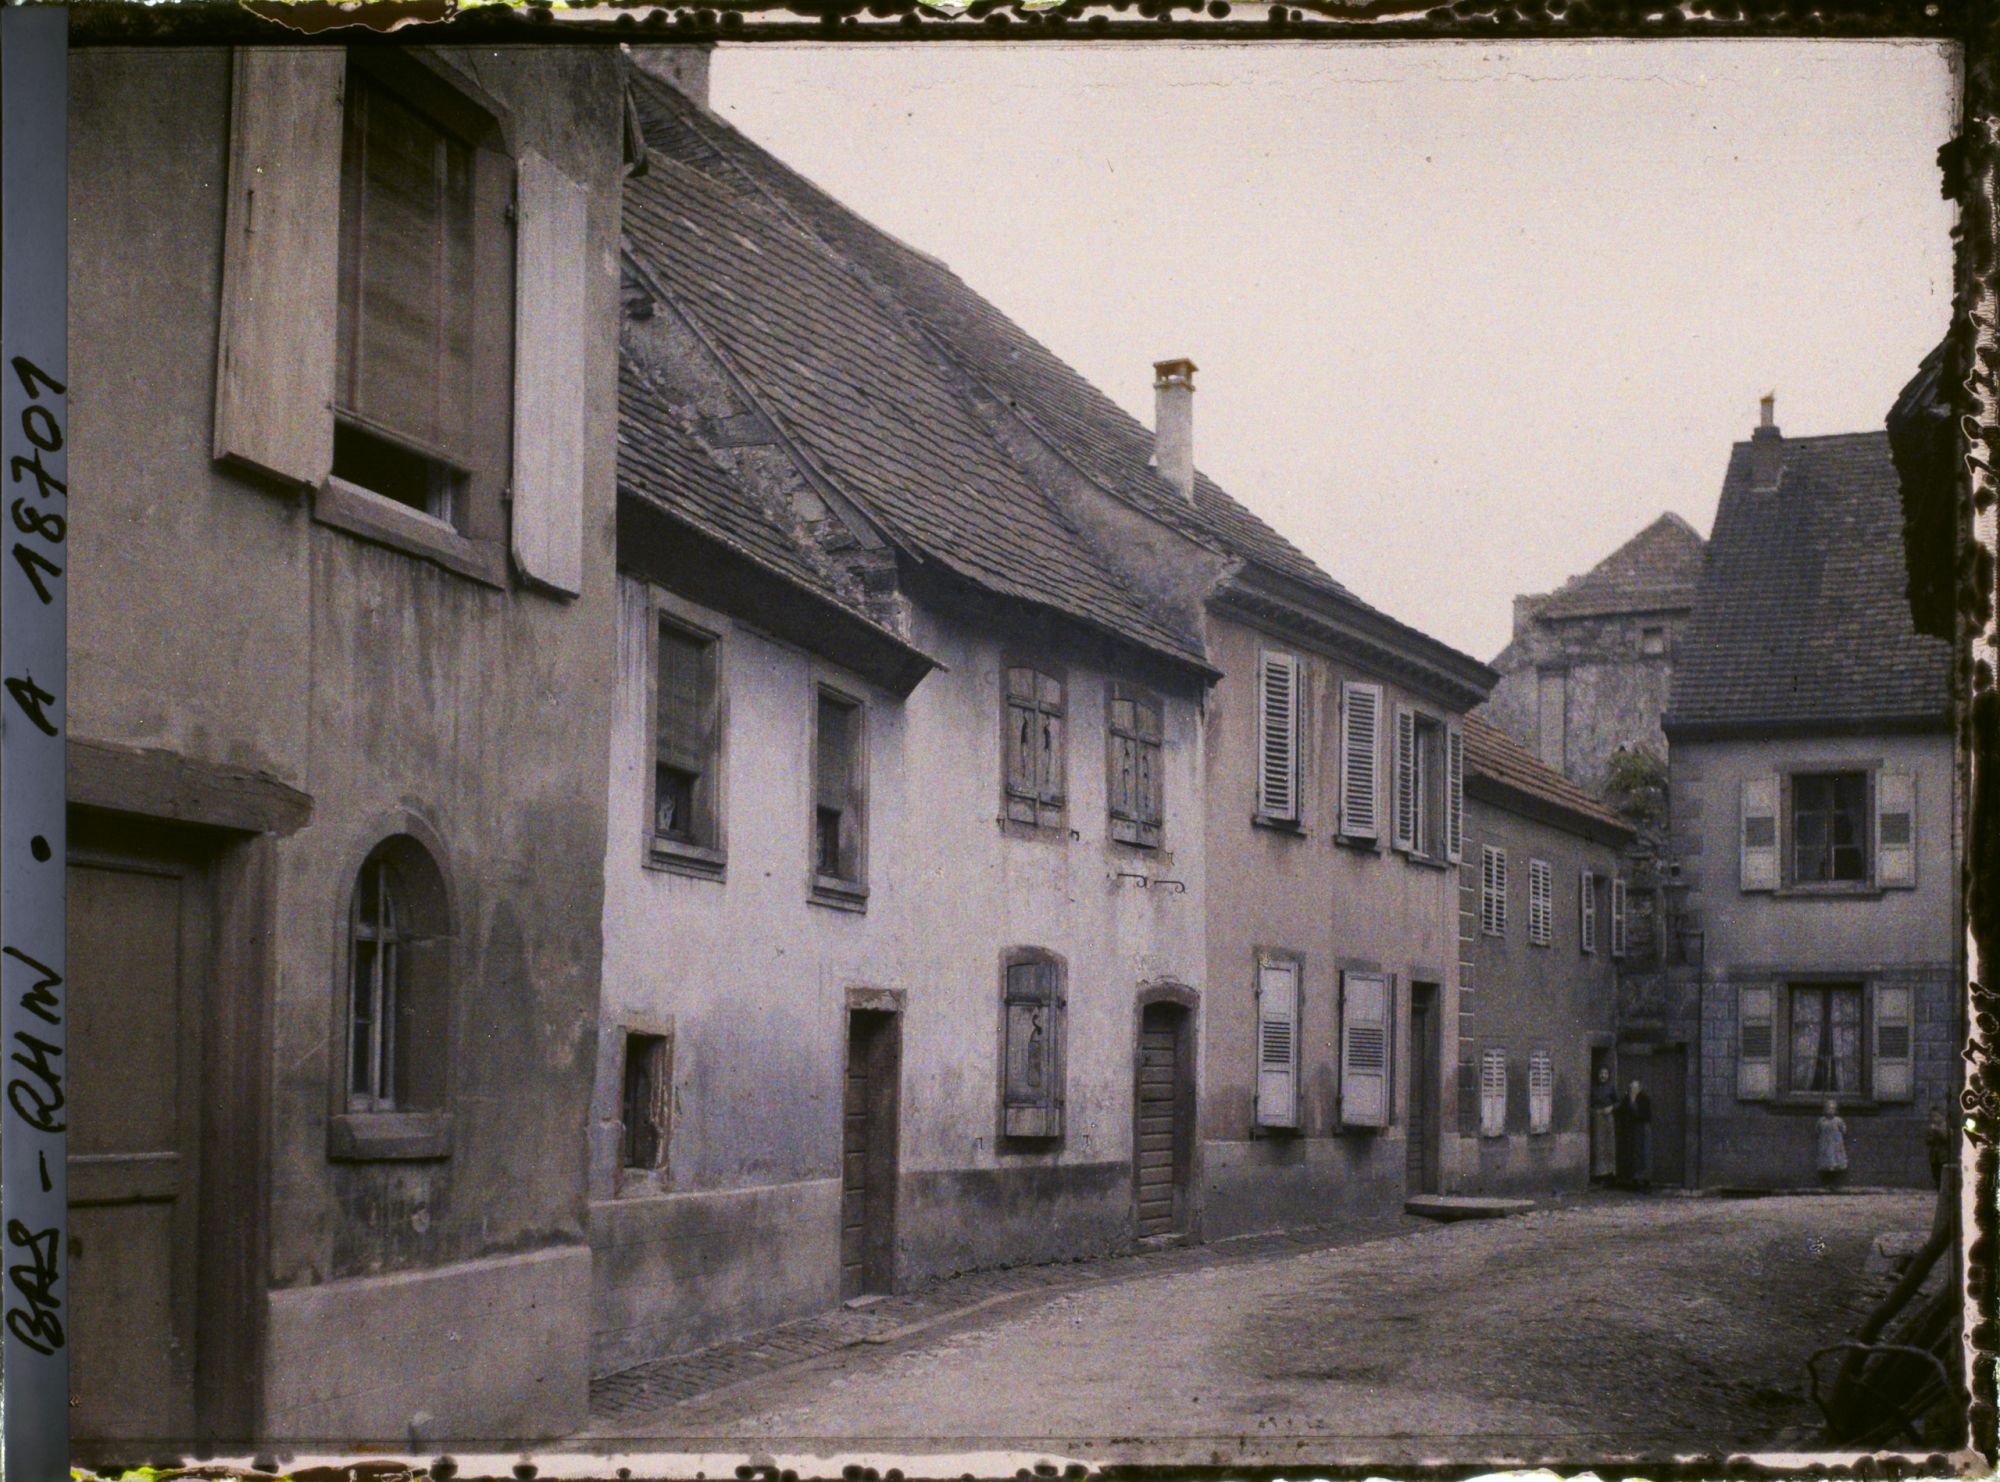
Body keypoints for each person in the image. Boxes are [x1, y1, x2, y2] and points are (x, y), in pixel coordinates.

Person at [1613, 1078, 1653, 1191]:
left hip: (1643, 1128)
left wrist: (1634, 1104)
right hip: (1631, 1130)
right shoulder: (1626, 1099)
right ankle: (1634, 1180)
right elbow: (1621, 1111)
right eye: (1631, 1088)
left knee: (1644, 1154)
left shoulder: (1644, 1099)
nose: (1632, 1090)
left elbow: (1645, 1115)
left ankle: (1646, 1181)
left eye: (1635, 1087)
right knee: (1633, 1154)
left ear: (1639, 1088)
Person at [1589, 1065, 1618, 1185]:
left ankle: (1610, 1173)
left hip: (1608, 1118)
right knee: (1598, 1145)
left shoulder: (1611, 1088)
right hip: (1597, 1119)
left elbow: (1617, 1102)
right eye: (1601, 1073)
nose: (1603, 1076)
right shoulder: (1593, 1088)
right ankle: (1598, 1173)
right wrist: (1595, 1111)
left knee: (1608, 1144)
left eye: (1605, 1074)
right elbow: (1589, 1103)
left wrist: (1611, 1108)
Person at [1817, 1100, 1849, 1190]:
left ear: (1835, 1110)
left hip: (1836, 1145)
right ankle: (1826, 1183)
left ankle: (1835, 1183)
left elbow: (1844, 1130)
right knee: (1826, 1162)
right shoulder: (1821, 1121)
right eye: (1828, 1108)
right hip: (1825, 1144)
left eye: (1832, 1109)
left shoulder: (1838, 1120)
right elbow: (1818, 1130)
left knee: (1835, 1162)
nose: (1830, 1111)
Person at [1926, 1106, 1953, 1190]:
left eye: (1936, 1116)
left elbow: (1946, 1137)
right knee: (1936, 1174)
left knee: (1943, 1175)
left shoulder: (1945, 1125)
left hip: (1944, 1155)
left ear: (1942, 1116)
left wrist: (1937, 1130)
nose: (1934, 1119)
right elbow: (1928, 1141)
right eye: (1932, 1116)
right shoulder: (1932, 1127)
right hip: (1934, 1155)